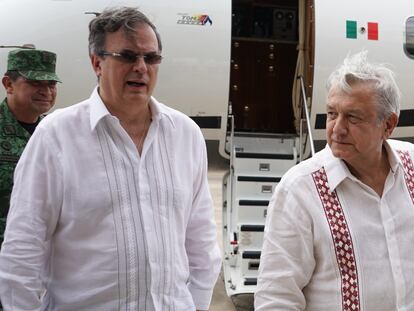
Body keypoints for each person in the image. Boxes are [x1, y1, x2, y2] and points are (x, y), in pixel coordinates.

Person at [0, 7, 221, 311]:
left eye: (151, 58)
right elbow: (22, 249)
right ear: (97, 63)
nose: (142, 67)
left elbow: (202, 243)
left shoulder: (186, 136)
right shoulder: (56, 137)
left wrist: (194, 305)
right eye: (128, 56)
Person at [255, 51, 414, 310]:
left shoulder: (412, 165)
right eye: (331, 114)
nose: (337, 129)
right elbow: (277, 297)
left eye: (353, 117)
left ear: (388, 125)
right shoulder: (300, 189)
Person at [0, 48, 60, 246]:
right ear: (9, 84)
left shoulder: (57, 133)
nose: (46, 91)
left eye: (51, 84)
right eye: (35, 83)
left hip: (43, 256)